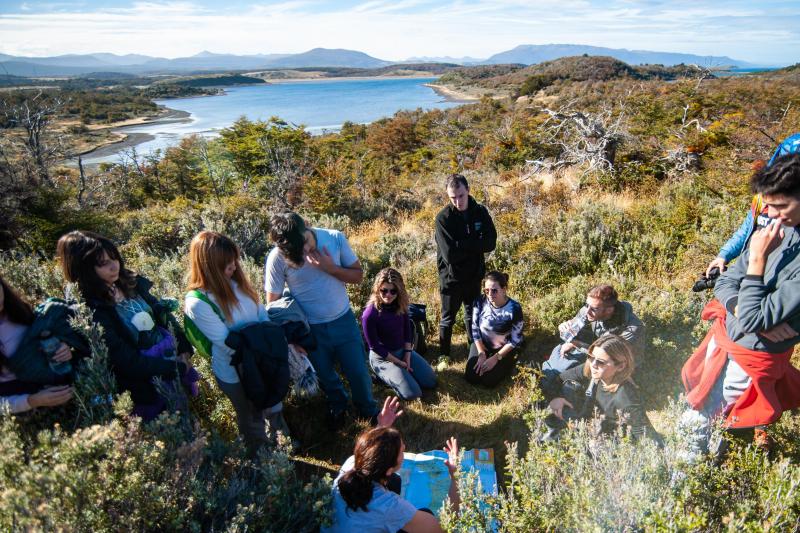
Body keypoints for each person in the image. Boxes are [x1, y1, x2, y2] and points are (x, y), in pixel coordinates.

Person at [682, 153, 800, 457]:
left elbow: (753, 317)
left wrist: (758, 260)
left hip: (752, 355)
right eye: (768, 205)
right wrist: (742, 313)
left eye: (780, 206)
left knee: (719, 414)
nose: (771, 214)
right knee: (705, 405)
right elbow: (725, 283)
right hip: (732, 339)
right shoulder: (780, 228)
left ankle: (693, 477)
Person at [56, 230, 198, 421]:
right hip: (145, 386)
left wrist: (184, 349)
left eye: (114, 258)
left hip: (170, 366)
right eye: (103, 263)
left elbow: (162, 316)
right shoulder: (89, 308)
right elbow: (123, 359)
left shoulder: (130, 282)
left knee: (186, 421)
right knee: (168, 432)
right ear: (84, 269)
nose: (114, 266)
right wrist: (174, 367)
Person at [265, 212, 377, 429]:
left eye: (304, 244)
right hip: (309, 330)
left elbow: (358, 276)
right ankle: (338, 406)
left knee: (358, 372)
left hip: (343, 320)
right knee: (325, 375)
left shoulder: (334, 238)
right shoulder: (277, 258)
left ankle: (368, 409)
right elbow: (274, 306)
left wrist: (331, 268)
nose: (304, 252)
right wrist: (292, 340)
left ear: (305, 227)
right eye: (295, 251)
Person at [184, 231, 290, 450]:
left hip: (263, 359)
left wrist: (266, 343)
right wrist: (265, 343)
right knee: (251, 416)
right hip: (236, 371)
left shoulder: (237, 283)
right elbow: (227, 342)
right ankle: (261, 460)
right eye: (227, 264)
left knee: (274, 404)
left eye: (234, 261)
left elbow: (262, 315)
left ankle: (284, 446)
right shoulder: (198, 302)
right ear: (209, 266)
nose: (234, 267)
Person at [324, 397, 460, 533]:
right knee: (426, 513)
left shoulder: (351, 464)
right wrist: (455, 476)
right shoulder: (389, 507)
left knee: (394, 482)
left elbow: (372, 453)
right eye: (402, 451)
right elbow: (440, 528)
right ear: (388, 469)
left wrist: (380, 428)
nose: (405, 447)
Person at [704, 133, 800, 278]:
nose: (773, 213)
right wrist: (724, 255)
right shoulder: (763, 197)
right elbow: (747, 228)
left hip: (774, 274)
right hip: (748, 267)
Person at [543, 335, 657, 442]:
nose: (593, 364)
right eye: (591, 357)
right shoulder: (592, 370)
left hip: (607, 444)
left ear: (621, 366)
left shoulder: (626, 398)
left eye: (601, 362)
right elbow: (560, 379)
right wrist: (555, 398)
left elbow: (650, 441)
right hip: (588, 427)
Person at [435, 174, 497, 359]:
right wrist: (475, 243)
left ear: (468, 190)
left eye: (460, 196)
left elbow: (490, 243)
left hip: (474, 275)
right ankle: (444, 355)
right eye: (452, 197)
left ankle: (473, 349)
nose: (457, 201)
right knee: (448, 318)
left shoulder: (480, 212)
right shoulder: (443, 219)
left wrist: (461, 244)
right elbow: (449, 255)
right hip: (451, 279)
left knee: (472, 314)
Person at [0, 275, 73, 413]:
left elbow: (41, 340)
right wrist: (33, 400)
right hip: (25, 407)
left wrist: (64, 349)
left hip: (55, 382)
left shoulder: (17, 310)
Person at [541, 284, 644, 382]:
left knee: (569, 374)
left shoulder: (632, 328)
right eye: (587, 305)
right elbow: (574, 324)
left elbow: (605, 354)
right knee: (562, 353)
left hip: (618, 362)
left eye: (593, 309)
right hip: (599, 345)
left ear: (608, 310)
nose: (587, 311)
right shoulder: (591, 309)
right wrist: (564, 327)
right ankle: (546, 377)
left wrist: (577, 344)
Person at [362, 268, 437, 401]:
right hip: (382, 357)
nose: (388, 295)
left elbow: (407, 330)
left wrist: (407, 356)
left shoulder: (401, 305)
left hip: (402, 351)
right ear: (377, 290)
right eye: (383, 290)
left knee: (431, 382)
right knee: (413, 394)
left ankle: (401, 376)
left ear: (399, 291)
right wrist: (399, 363)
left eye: (393, 291)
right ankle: (382, 376)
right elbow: (375, 347)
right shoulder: (370, 314)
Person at [465, 271, 523, 387]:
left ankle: (509, 362)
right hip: (483, 344)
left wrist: (497, 357)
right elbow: (475, 329)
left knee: (489, 381)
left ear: (504, 289)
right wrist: (481, 353)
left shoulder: (514, 308)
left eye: (494, 290)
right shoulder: (479, 302)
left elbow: (515, 340)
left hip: (503, 348)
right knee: (471, 376)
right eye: (487, 290)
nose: (490, 294)